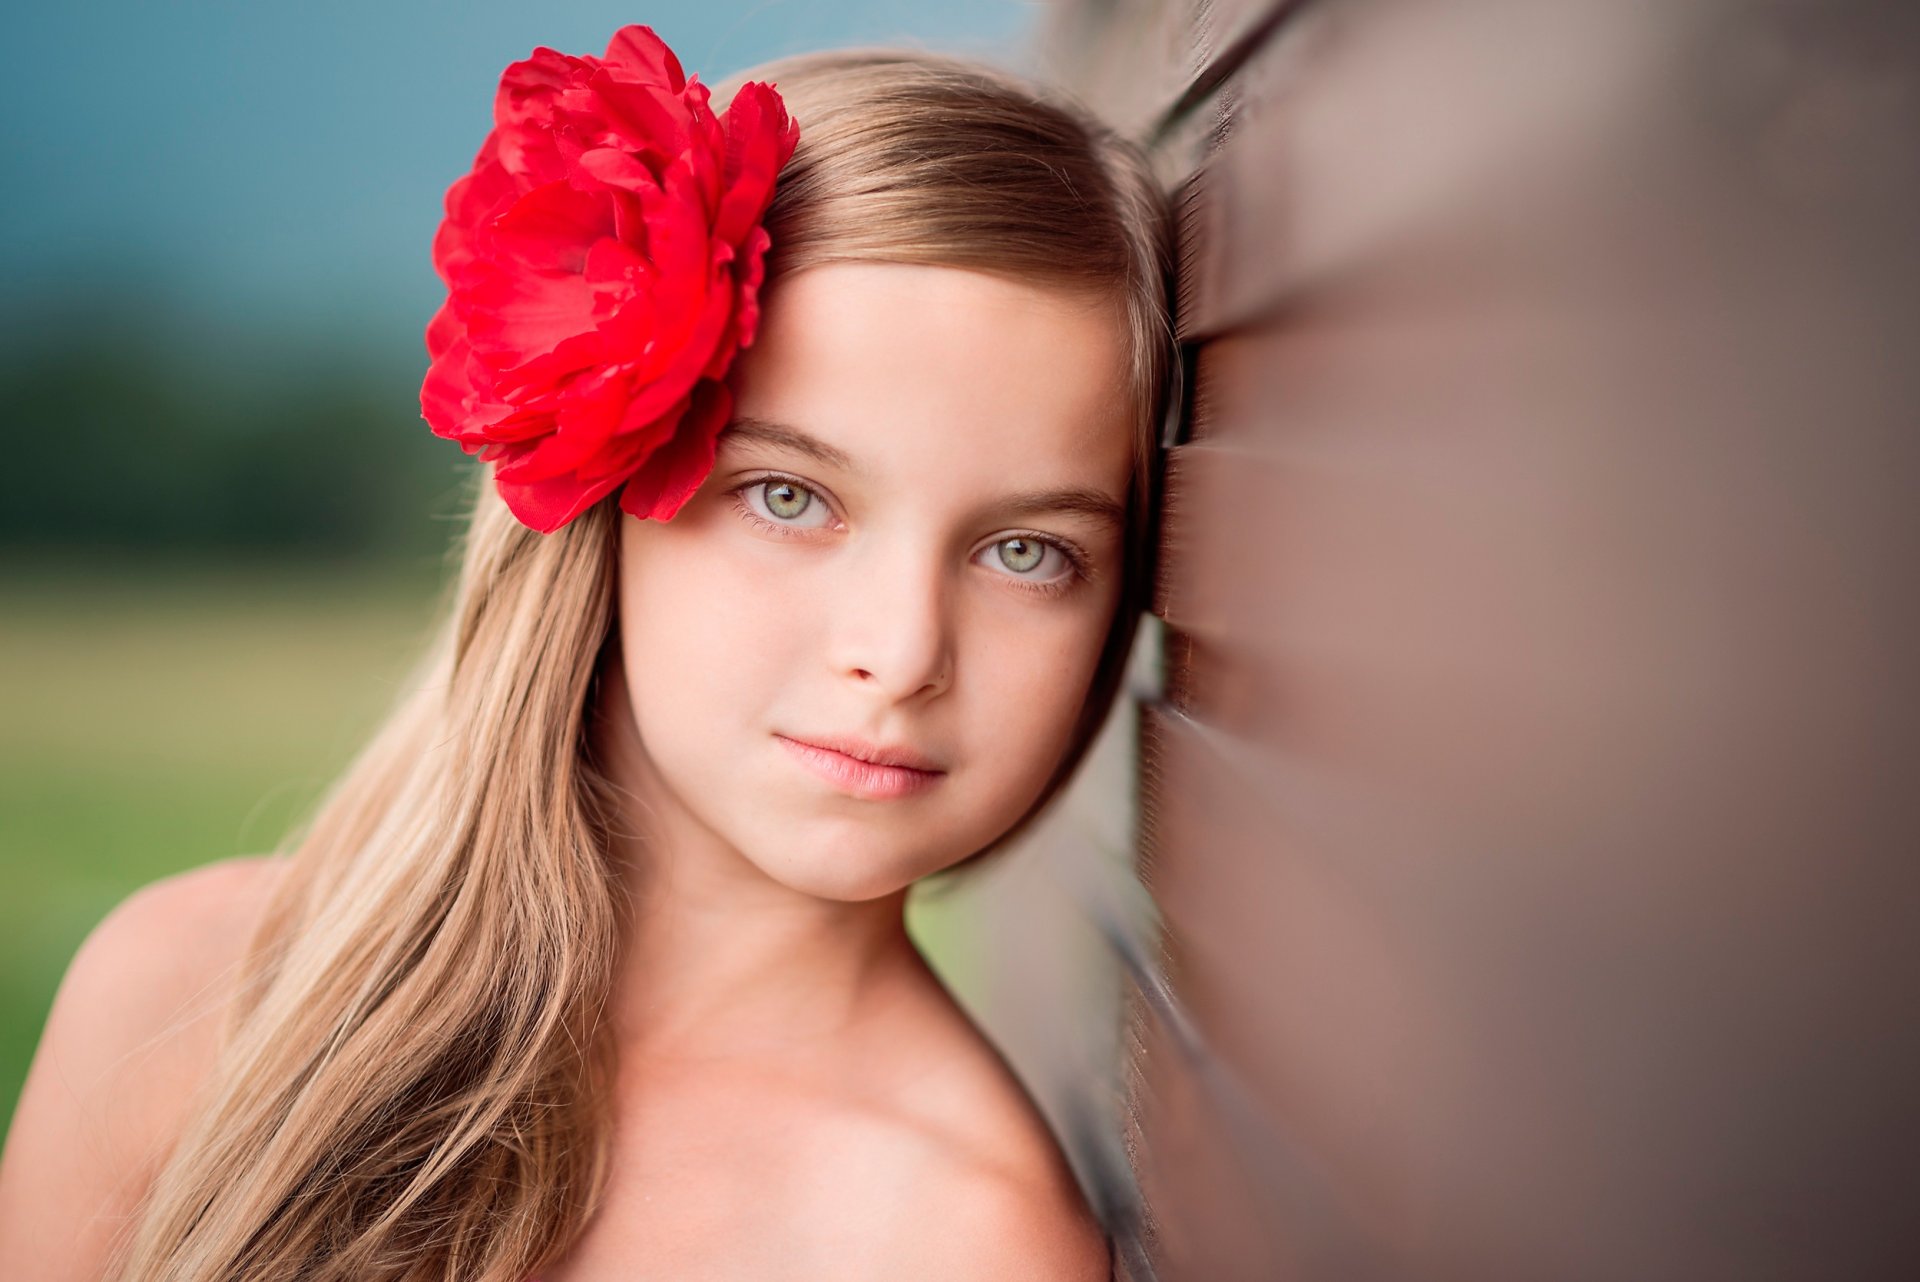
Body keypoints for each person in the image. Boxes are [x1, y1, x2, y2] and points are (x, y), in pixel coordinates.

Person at [0, 24, 1172, 1281]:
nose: (900, 653)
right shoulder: (183, 991)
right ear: (604, 501)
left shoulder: (963, 1240)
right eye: (787, 496)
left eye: (1026, 552)